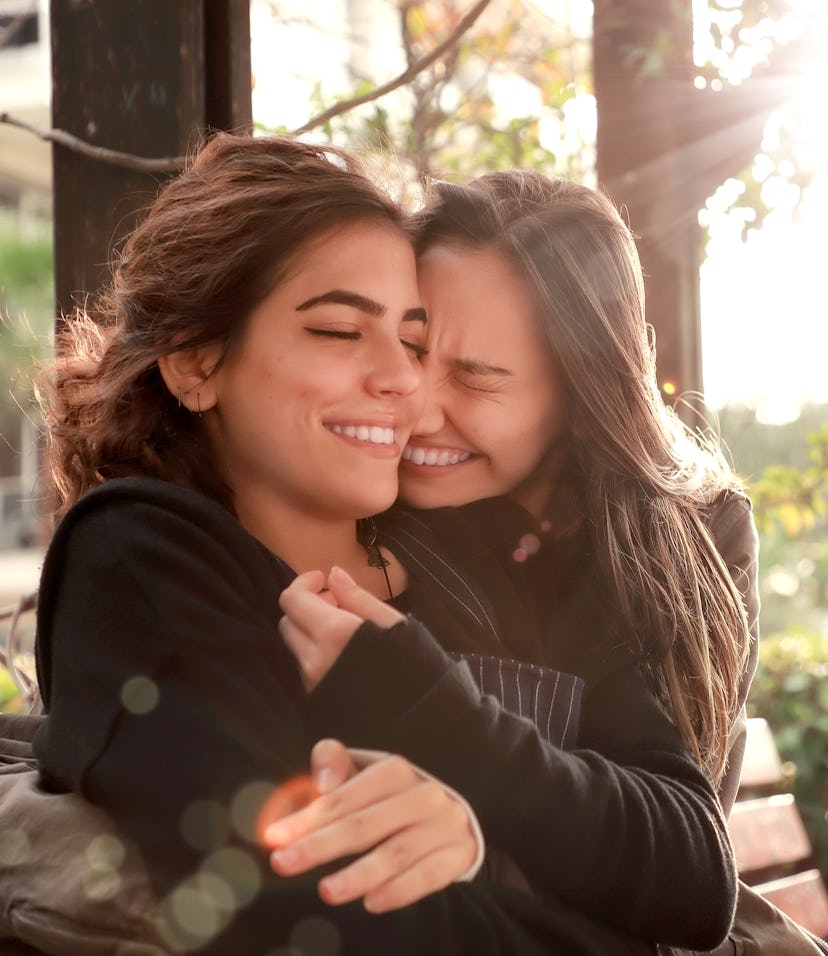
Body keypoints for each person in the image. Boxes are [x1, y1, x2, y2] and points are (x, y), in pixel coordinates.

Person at [28, 133, 642, 956]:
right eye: (339, 332)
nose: (404, 381)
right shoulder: (140, 560)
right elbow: (304, 910)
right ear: (195, 360)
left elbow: (684, 865)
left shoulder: (484, 545)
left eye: (412, 340)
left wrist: (473, 830)